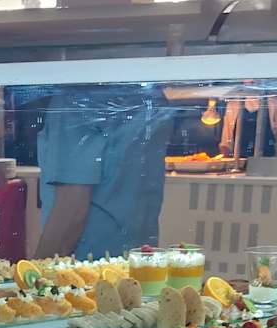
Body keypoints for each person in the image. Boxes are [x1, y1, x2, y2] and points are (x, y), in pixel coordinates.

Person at [31, 85, 174, 260]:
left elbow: (71, 211)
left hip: (88, 264)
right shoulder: (152, 96)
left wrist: (36, 270)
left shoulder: (75, 100)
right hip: (139, 258)